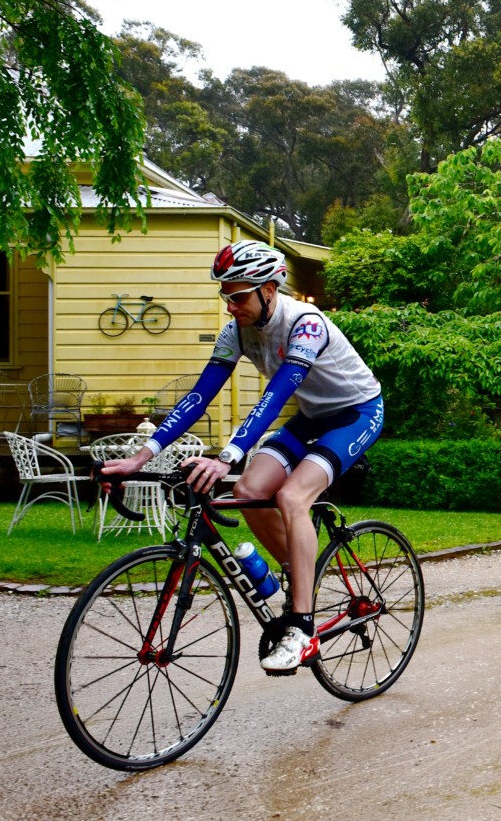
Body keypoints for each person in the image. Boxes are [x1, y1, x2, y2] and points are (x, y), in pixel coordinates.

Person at [101, 240, 384, 673]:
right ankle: (299, 573)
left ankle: (302, 630)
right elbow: (199, 396)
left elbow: (276, 396)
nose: (230, 306)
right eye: (225, 296)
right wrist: (142, 457)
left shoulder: (305, 324)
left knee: (292, 498)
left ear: (270, 289)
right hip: (312, 416)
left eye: (238, 296)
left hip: (356, 412)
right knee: (250, 490)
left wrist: (227, 456)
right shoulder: (236, 331)